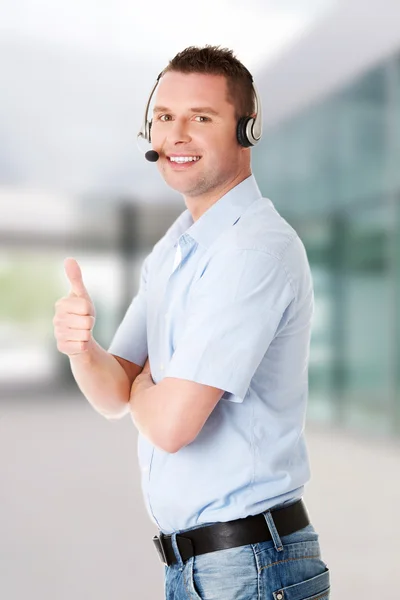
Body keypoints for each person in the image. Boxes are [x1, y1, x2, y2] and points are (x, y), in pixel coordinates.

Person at [53, 45, 330, 599]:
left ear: (246, 130)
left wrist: (142, 382)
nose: (175, 134)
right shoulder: (178, 246)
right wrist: (83, 350)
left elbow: (171, 426)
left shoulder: (253, 250)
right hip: (203, 565)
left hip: (251, 567)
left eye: (200, 118)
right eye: (163, 118)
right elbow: (115, 394)